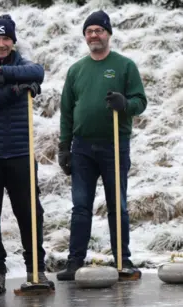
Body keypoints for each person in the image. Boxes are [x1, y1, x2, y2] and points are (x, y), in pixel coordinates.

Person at [56, 10, 147, 280]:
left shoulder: (125, 66)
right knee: (81, 206)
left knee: (117, 205)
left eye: (99, 30)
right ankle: (74, 263)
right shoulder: (76, 70)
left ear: (108, 34)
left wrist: (125, 104)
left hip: (114, 145)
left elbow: (140, 101)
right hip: (82, 148)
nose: (94, 35)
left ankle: (123, 261)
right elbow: (66, 111)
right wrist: (64, 147)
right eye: (89, 31)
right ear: (85, 36)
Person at [0, 14, 52, 293]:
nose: (1, 44)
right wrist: (15, 90)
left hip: (20, 154)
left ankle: (35, 268)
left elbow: (37, 72)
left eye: (6, 39)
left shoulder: (21, 63)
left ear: (13, 42)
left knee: (30, 213)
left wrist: (2, 77)